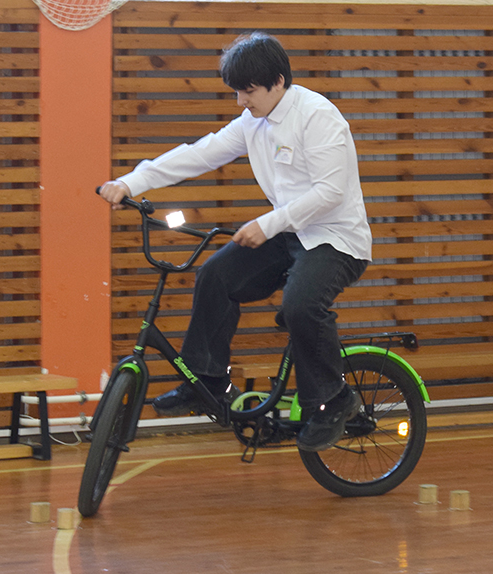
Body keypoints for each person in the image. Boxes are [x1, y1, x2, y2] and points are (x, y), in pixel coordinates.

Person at [98, 32, 372, 452]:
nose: (241, 101)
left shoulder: (318, 116)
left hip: (336, 239)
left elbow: (330, 193)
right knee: (215, 275)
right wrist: (131, 181)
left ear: (278, 82)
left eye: (249, 91)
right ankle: (206, 380)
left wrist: (267, 223)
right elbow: (198, 154)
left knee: (300, 305)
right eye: (237, 92)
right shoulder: (253, 122)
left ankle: (334, 400)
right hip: (288, 233)